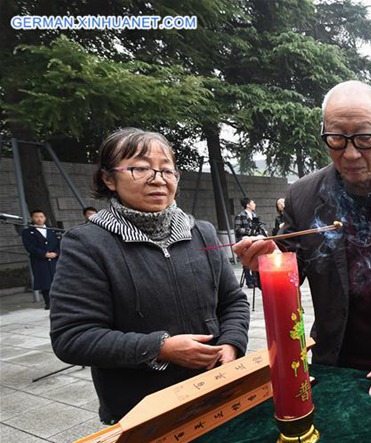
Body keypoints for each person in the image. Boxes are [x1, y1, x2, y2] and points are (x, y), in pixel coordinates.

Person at [234, 80, 371, 399]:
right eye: (337, 139)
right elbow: (290, 270)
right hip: (338, 360)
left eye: (365, 138)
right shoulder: (303, 195)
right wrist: (269, 259)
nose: (351, 154)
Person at [50, 128, 250, 424]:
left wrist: (232, 344)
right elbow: (72, 337)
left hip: (216, 389)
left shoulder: (201, 232)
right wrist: (160, 348)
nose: (157, 179)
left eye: (167, 170)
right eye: (140, 168)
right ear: (108, 179)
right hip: (142, 409)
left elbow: (233, 302)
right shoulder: (87, 244)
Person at [20, 209, 60, 310]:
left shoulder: (52, 230)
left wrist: (56, 253)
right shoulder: (28, 232)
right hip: (40, 260)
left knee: (58, 281)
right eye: (36, 217)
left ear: (45, 218)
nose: (39, 219)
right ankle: (48, 302)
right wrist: (44, 254)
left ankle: (60, 302)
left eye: (41, 217)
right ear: (32, 218)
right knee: (44, 282)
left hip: (55, 259)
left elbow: (60, 243)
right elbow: (29, 246)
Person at [234, 197, 264, 288]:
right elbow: (238, 229)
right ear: (247, 205)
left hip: (254, 240)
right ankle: (249, 280)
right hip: (244, 241)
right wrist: (250, 232)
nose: (254, 204)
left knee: (255, 259)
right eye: (253, 203)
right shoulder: (240, 215)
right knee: (247, 260)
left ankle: (255, 280)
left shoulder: (254, 215)